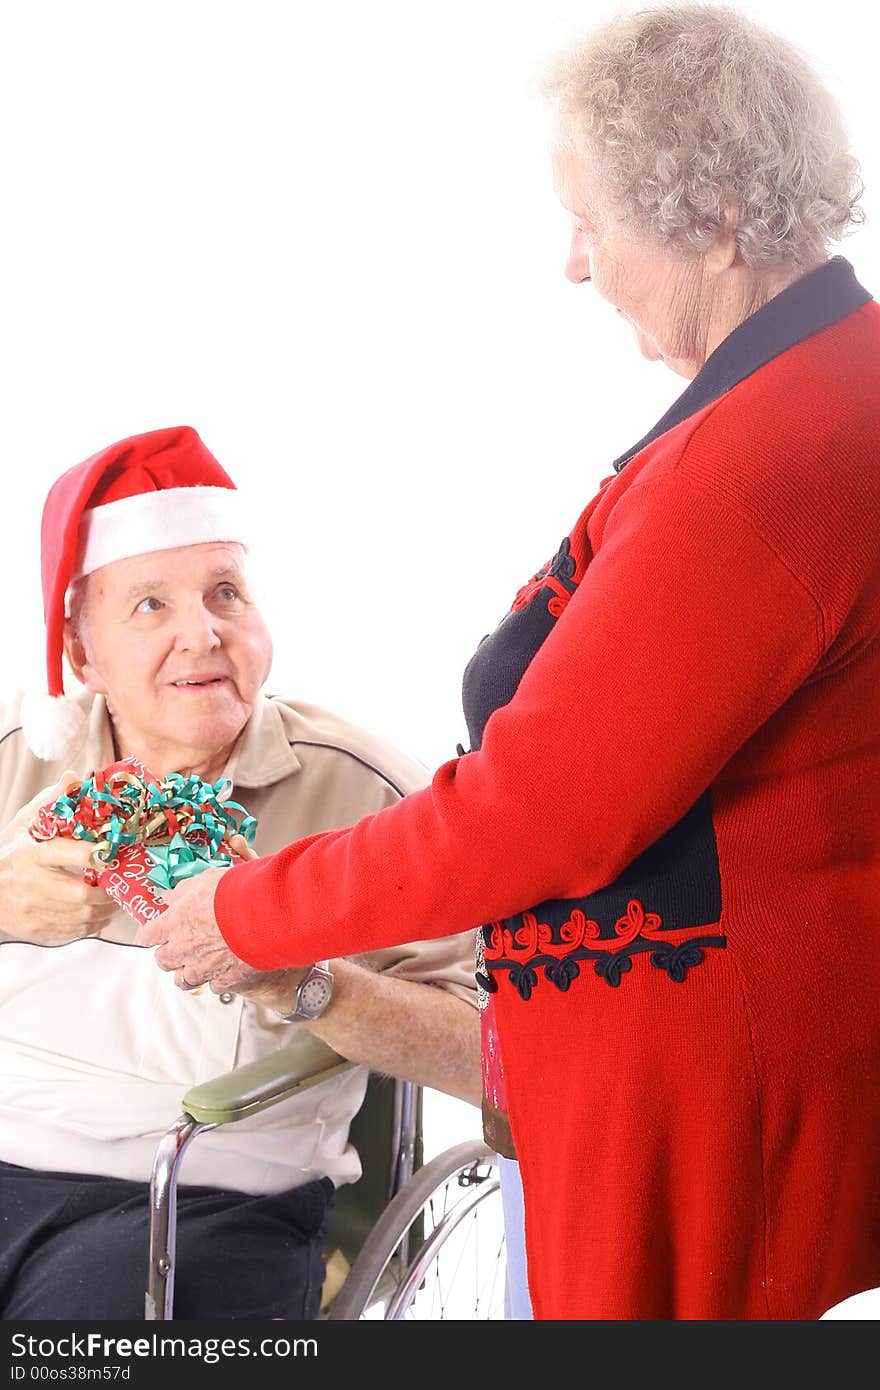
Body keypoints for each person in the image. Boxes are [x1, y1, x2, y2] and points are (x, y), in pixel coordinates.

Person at [141, 2, 880, 1320]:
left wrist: (248, 910)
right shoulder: (807, 399)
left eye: (591, 222)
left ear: (711, 213)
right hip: (652, 1093)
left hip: (703, 1130)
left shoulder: (771, 456)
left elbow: (542, 809)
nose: (575, 267)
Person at [0, 425, 480, 1321]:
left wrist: (306, 983)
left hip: (204, 1196)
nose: (203, 635)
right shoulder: (14, 760)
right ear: (80, 653)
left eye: (227, 593)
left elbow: (492, 1060)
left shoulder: (371, 791)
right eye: (150, 605)